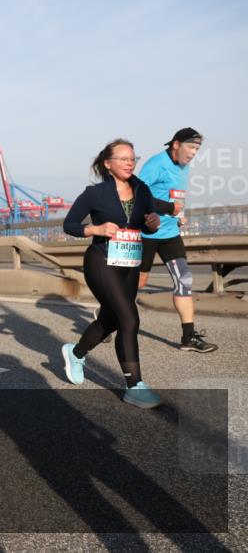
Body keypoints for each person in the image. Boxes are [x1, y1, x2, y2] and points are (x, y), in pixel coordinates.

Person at [62, 139, 163, 408]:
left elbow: (148, 224)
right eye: (123, 158)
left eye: (133, 158)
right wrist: (95, 230)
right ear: (108, 164)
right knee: (129, 318)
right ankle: (135, 385)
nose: (130, 162)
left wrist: (153, 223)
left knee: (112, 320)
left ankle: (76, 352)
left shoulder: (142, 190)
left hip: (129, 263)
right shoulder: (95, 193)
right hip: (101, 260)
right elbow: (69, 224)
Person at [138, 128, 217, 353]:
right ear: (176, 144)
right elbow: (136, 195)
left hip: (170, 234)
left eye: (197, 149)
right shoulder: (156, 164)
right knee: (138, 284)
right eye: (191, 147)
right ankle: (107, 316)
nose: (194, 153)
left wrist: (179, 215)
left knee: (184, 280)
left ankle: (188, 337)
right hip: (146, 233)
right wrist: (168, 208)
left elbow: (175, 194)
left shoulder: (184, 167)